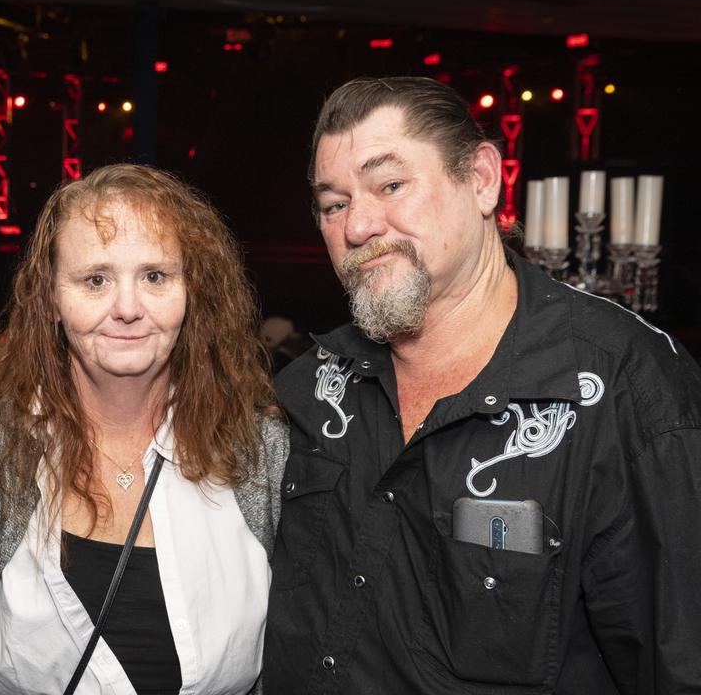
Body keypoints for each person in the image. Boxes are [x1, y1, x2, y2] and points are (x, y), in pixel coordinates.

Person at [265, 76, 701, 693]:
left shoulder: (624, 389)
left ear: (480, 180)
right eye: (334, 204)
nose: (358, 227)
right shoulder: (316, 386)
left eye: (390, 185)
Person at [0, 163, 287, 694]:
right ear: (51, 297)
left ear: (193, 292)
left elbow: (299, 653)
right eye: (95, 280)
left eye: (155, 277)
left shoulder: (258, 448)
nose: (127, 308)